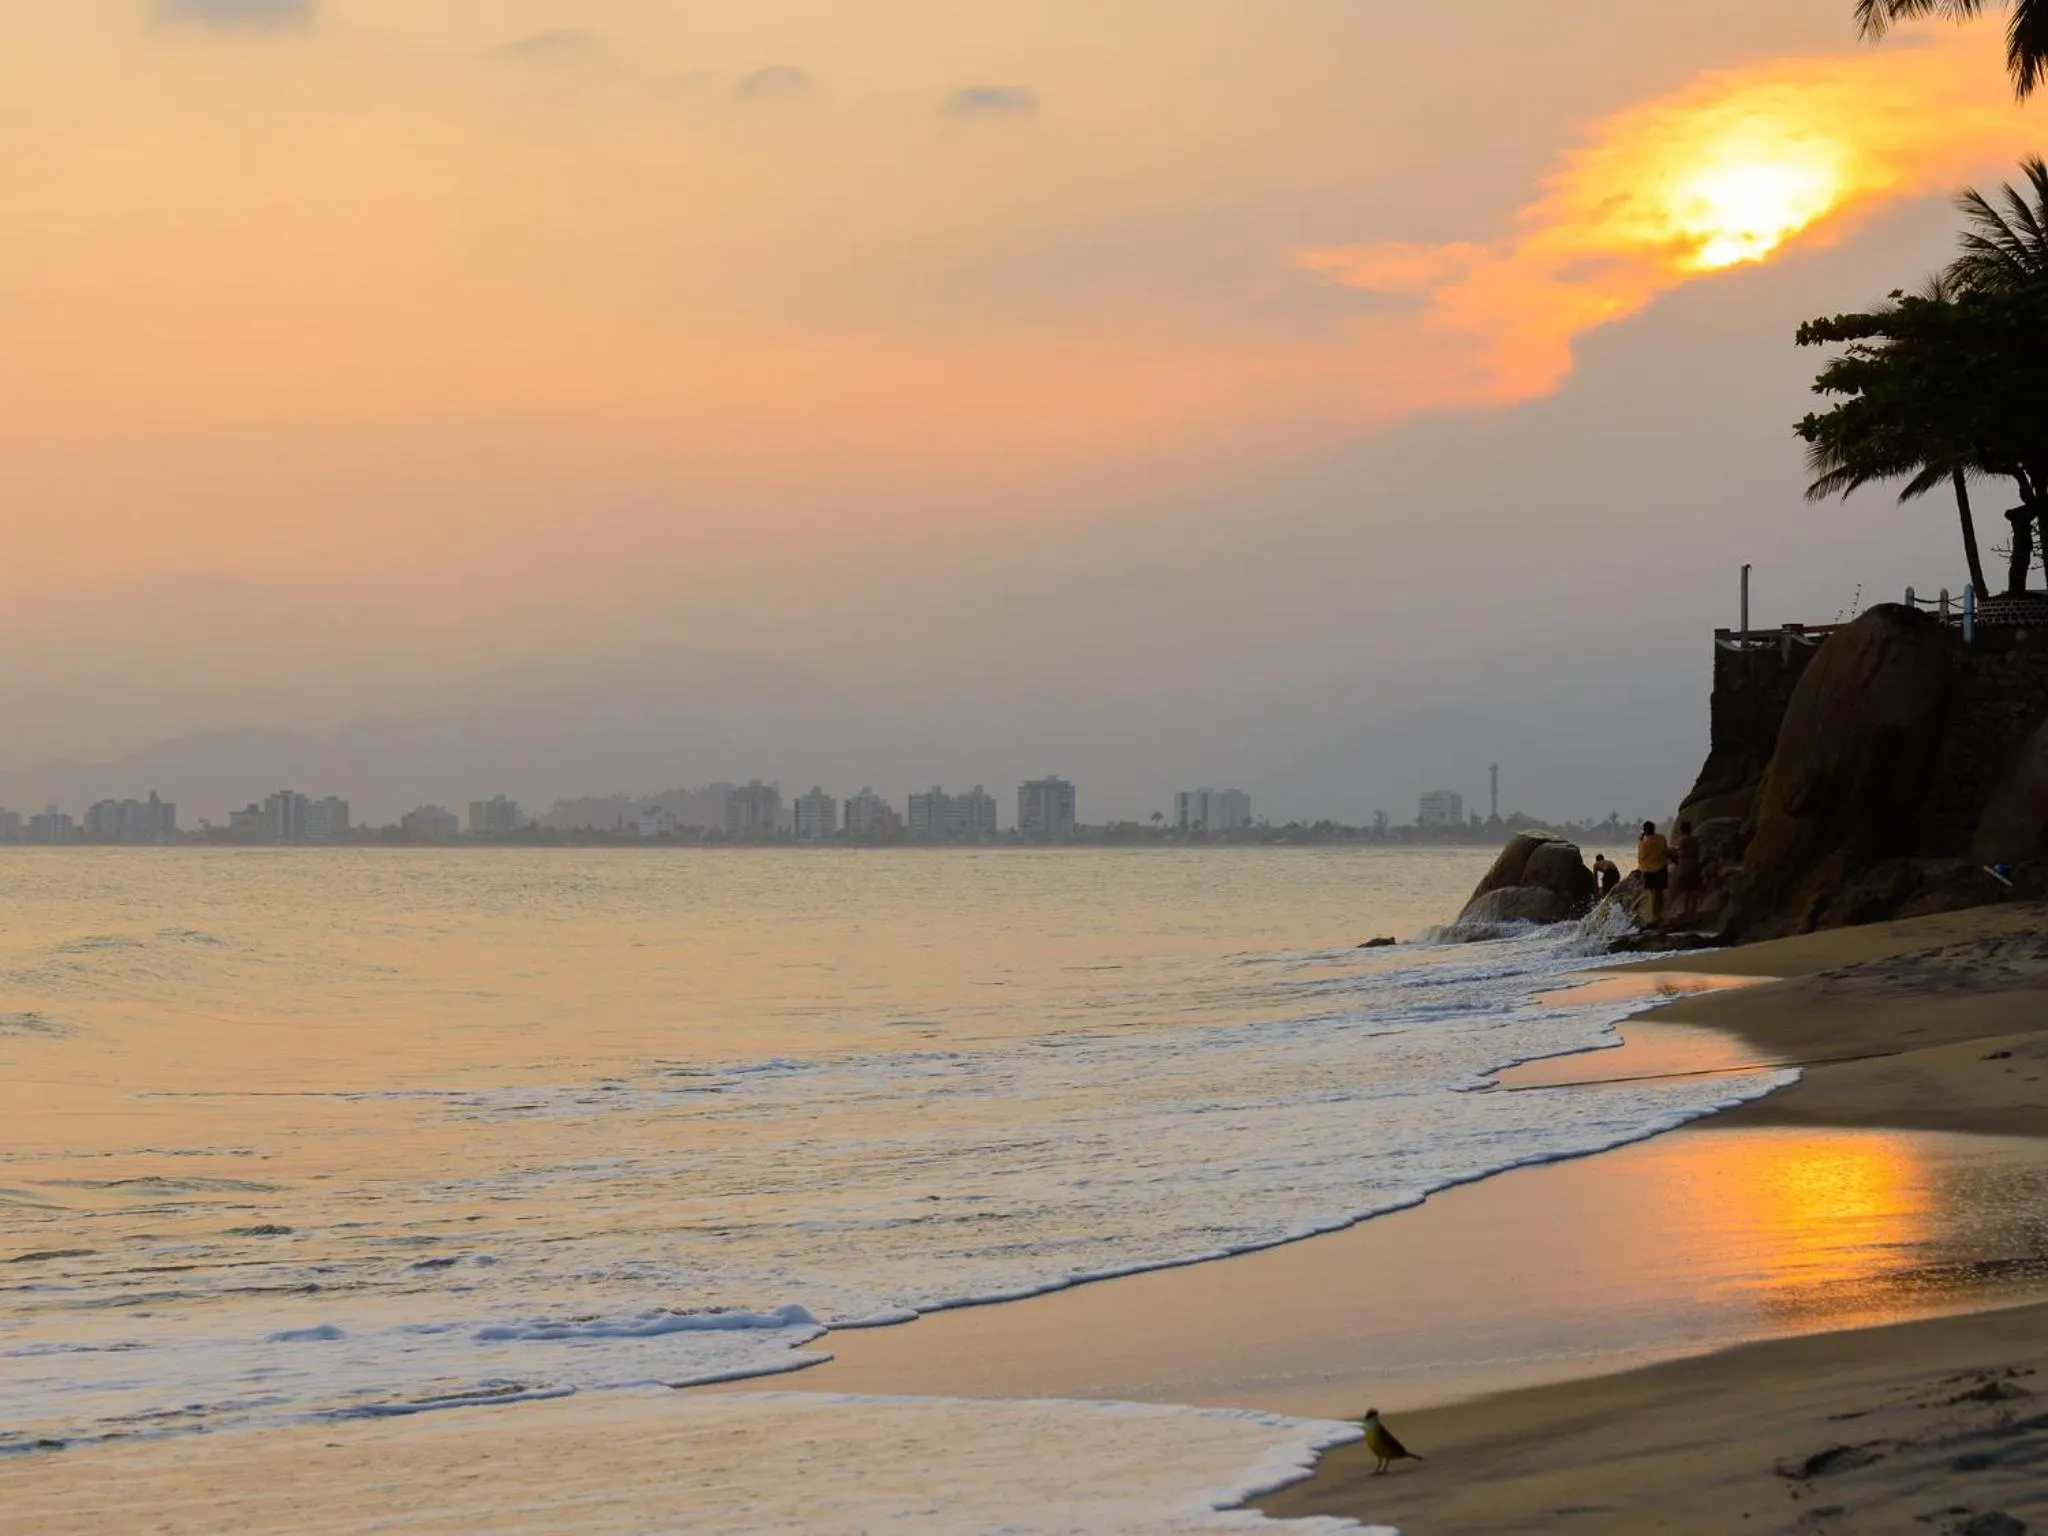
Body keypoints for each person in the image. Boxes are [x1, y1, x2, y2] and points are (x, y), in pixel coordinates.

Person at [1636, 820, 1671, 924]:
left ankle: (1654, 916)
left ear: (1645, 830)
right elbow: (1665, 849)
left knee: (1652, 894)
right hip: (1661, 867)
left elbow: (1641, 854)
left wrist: (1641, 839)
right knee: (1659, 892)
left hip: (1649, 870)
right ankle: (1660, 914)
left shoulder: (1644, 842)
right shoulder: (1661, 837)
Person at [1672, 819, 1704, 922]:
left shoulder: (1682, 840)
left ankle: (1686, 911)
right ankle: (1693, 911)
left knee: (1685, 891)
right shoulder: (1695, 839)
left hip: (1685, 867)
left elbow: (1682, 854)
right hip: (1695, 865)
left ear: (1682, 830)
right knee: (1693, 890)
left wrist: (1675, 853)